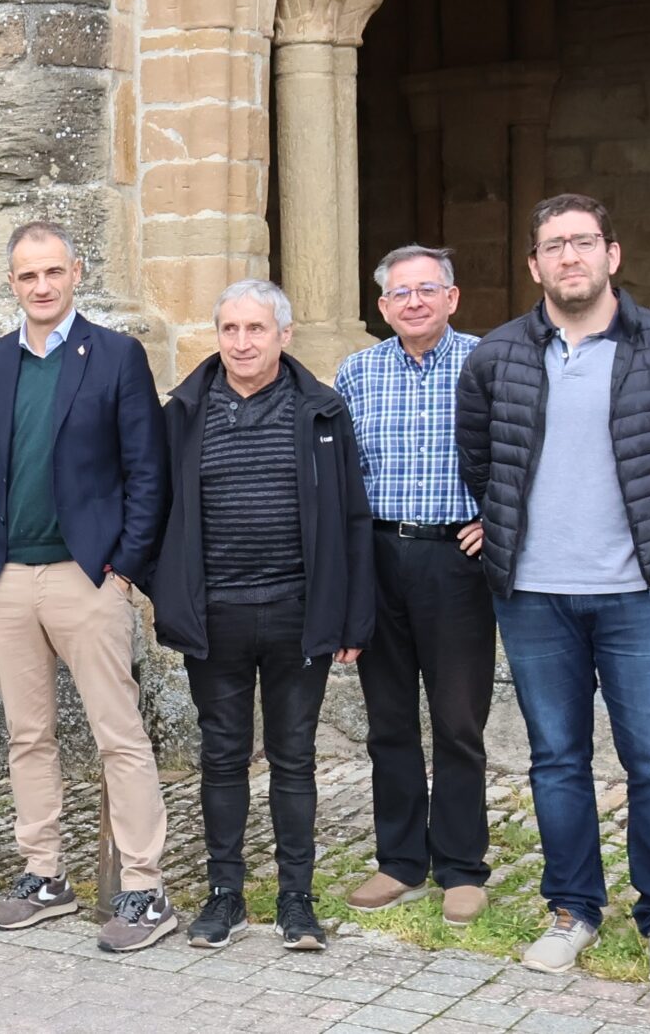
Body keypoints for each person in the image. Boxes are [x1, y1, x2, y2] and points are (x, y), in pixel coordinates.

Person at [456, 194, 650, 989]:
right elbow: (481, 460)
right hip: (534, 595)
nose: (568, 256)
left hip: (641, 595)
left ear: (612, 254)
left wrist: (649, 530)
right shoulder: (497, 356)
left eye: (582, 242)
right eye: (553, 245)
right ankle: (572, 909)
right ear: (534, 265)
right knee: (556, 762)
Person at [0, 222, 173, 952]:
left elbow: (148, 472)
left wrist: (123, 568)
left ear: (77, 272)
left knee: (120, 735)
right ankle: (44, 875)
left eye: (53, 272)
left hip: (87, 577)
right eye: (28, 275)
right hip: (6, 579)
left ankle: (145, 887)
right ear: (12, 283)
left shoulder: (115, 355)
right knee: (28, 736)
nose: (42, 286)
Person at [149, 281, 372, 952]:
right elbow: (157, 508)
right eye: (230, 329)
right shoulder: (184, 412)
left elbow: (352, 517)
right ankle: (225, 894)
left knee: (293, 757)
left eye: (256, 329)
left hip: (296, 615)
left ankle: (296, 899)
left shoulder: (322, 411)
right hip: (215, 614)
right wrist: (167, 591)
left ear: (284, 334)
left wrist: (352, 619)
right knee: (221, 757)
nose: (242, 342)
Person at [334, 245, 492, 927]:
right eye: (400, 293)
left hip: (456, 560)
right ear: (382, 306)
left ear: (452, 297)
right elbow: (340, 473)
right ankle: (400, 860)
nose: (414, 302)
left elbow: (528, 449)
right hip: (378, 558)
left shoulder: (487, 363)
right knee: (389, 720)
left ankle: (461, 866)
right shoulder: (357, 372)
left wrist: (499, 518)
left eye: (427, 289)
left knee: (458, 719)